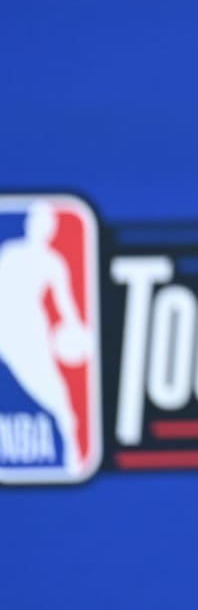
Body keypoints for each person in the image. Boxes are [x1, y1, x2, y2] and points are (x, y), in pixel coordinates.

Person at [0, 201, 91, 473]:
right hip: (7, 329)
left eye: (46, 224)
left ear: (51, 230)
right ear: (28, 224)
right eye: (35, 221)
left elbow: (67, 307)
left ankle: (73, 452)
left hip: (30, 335)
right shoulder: (10, 253)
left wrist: (78, 332)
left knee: (59, 397)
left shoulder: (54, 263)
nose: (39, 227)